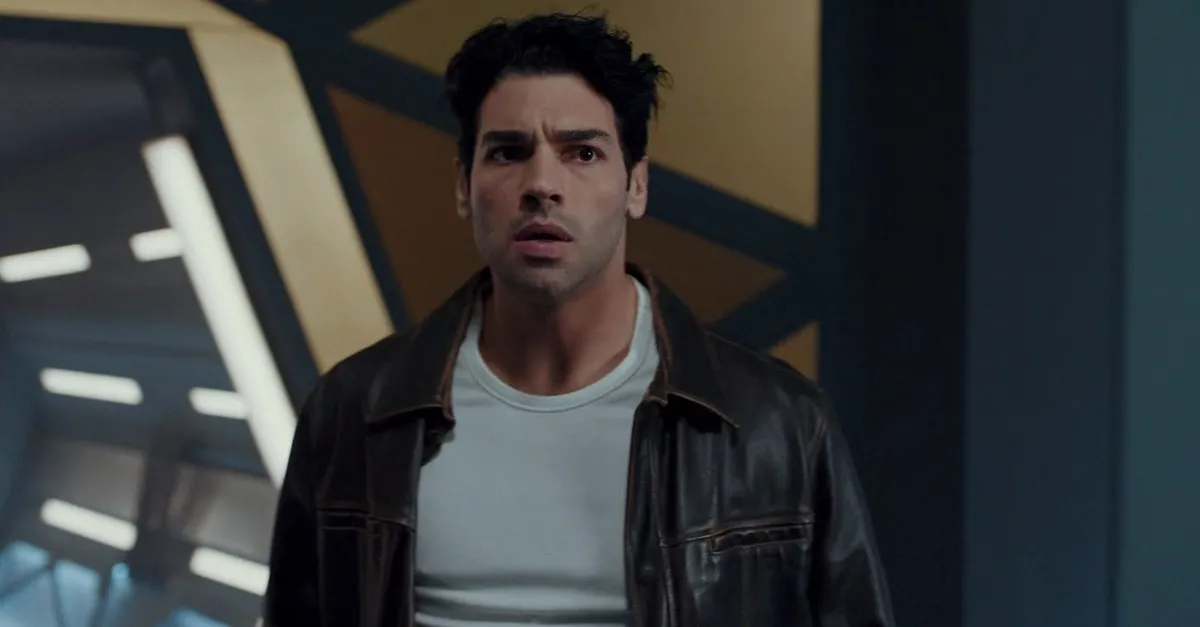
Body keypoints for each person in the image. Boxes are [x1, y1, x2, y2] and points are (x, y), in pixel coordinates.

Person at [263, 12, 894, 627]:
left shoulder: (777, 424)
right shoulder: (354, 412)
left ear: (636, 186)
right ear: (463, 186)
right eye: (508, 152)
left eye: (583, 153)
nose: (542, 183)